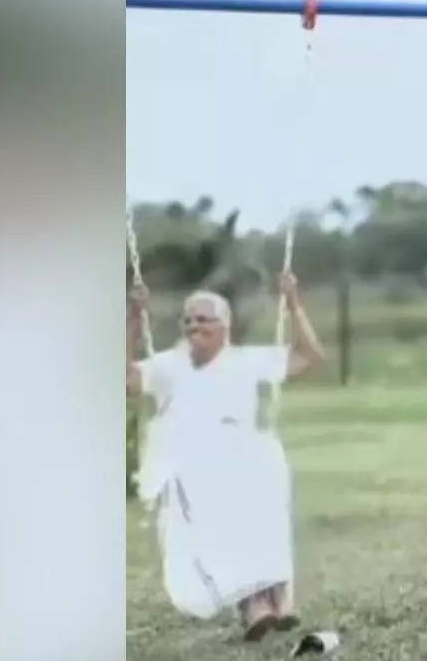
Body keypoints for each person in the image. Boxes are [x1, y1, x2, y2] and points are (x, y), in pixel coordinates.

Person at [126, 271, 326, 641]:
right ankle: (255, 606)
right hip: (193, 462)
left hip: (244, 453)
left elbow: (311, 356)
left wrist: (294, 305)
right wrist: (133, 320)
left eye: (203, 319)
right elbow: (125, 380)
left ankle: (273, 601)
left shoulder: (246, 360)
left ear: (225, 326)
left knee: (263, 488)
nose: (193, 326)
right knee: (224, 511)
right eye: (187, 320)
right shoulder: (170, 365)